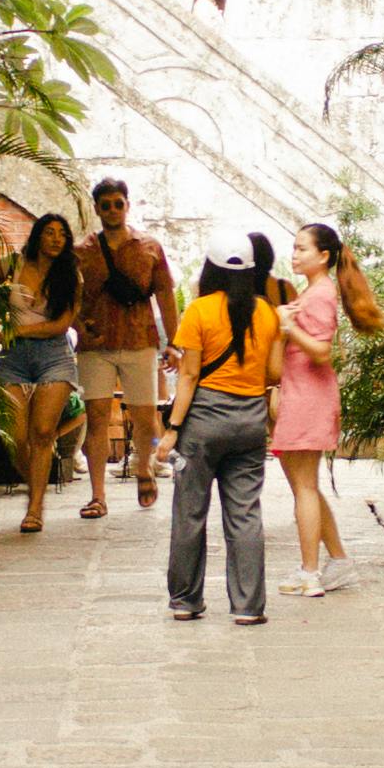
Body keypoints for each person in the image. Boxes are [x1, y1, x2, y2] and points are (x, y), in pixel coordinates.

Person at [159, 228, 283, 624]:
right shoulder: (266, 312)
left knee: (190, 511)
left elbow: (189, 375)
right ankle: (248, 607)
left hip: (203, 421)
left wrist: (173, 428)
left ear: (209, 269)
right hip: (250, 421)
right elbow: (274, 373)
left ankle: (185, 601)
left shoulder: (199, 311)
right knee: (245, 514)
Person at [270, 219, 373, 596]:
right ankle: (338, 561)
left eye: (302, 249)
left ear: (324, 255)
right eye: (294, 248)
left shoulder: (320, 295)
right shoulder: (314, 291)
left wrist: (287, 328)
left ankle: (310, 571)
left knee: (304, 489)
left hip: (308, 397)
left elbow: (321, 350)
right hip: (302, 394)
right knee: (306, 487)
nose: (294, 255)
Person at [73, 175, 176, 516]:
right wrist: (79, 328)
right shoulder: (82, 252)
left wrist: (174, 342)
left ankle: (144, 466)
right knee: (97, 418)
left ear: (127, 206)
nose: (113, 210)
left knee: (146, 417)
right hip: (96, 345)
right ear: (97, 209)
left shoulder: (149, 247)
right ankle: (97, 495)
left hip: (139, 339)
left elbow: (165, 295)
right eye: (106, 205)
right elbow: (69, 299)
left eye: (119, 204)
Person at [0, 210, 83, 533]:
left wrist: (20, 331)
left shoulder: (71, 276)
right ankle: (36, 486)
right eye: (50, 232)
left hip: (53, 354)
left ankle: (35, 508)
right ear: (38, 235)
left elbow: (62, 324)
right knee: (15, 438)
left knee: (42, 432)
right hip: (13, 357)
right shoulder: (13, 264)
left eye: (62, 234)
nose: (56, 239)